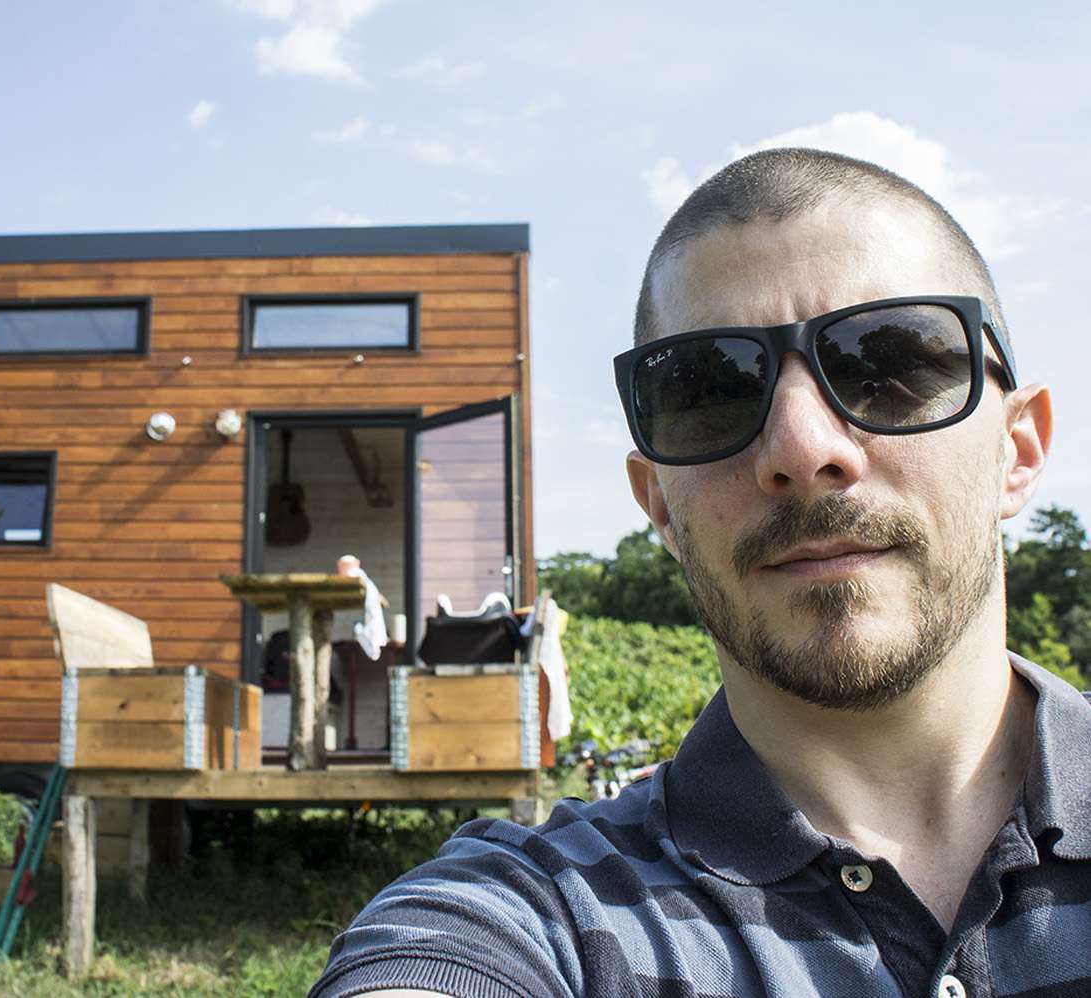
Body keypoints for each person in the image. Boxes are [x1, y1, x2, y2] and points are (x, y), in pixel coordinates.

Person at [312, 147, 1077, 998]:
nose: (800, 449)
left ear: (1018, 450)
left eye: (887, 365)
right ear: (661, 508)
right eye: (712, 390)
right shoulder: (532, 917)